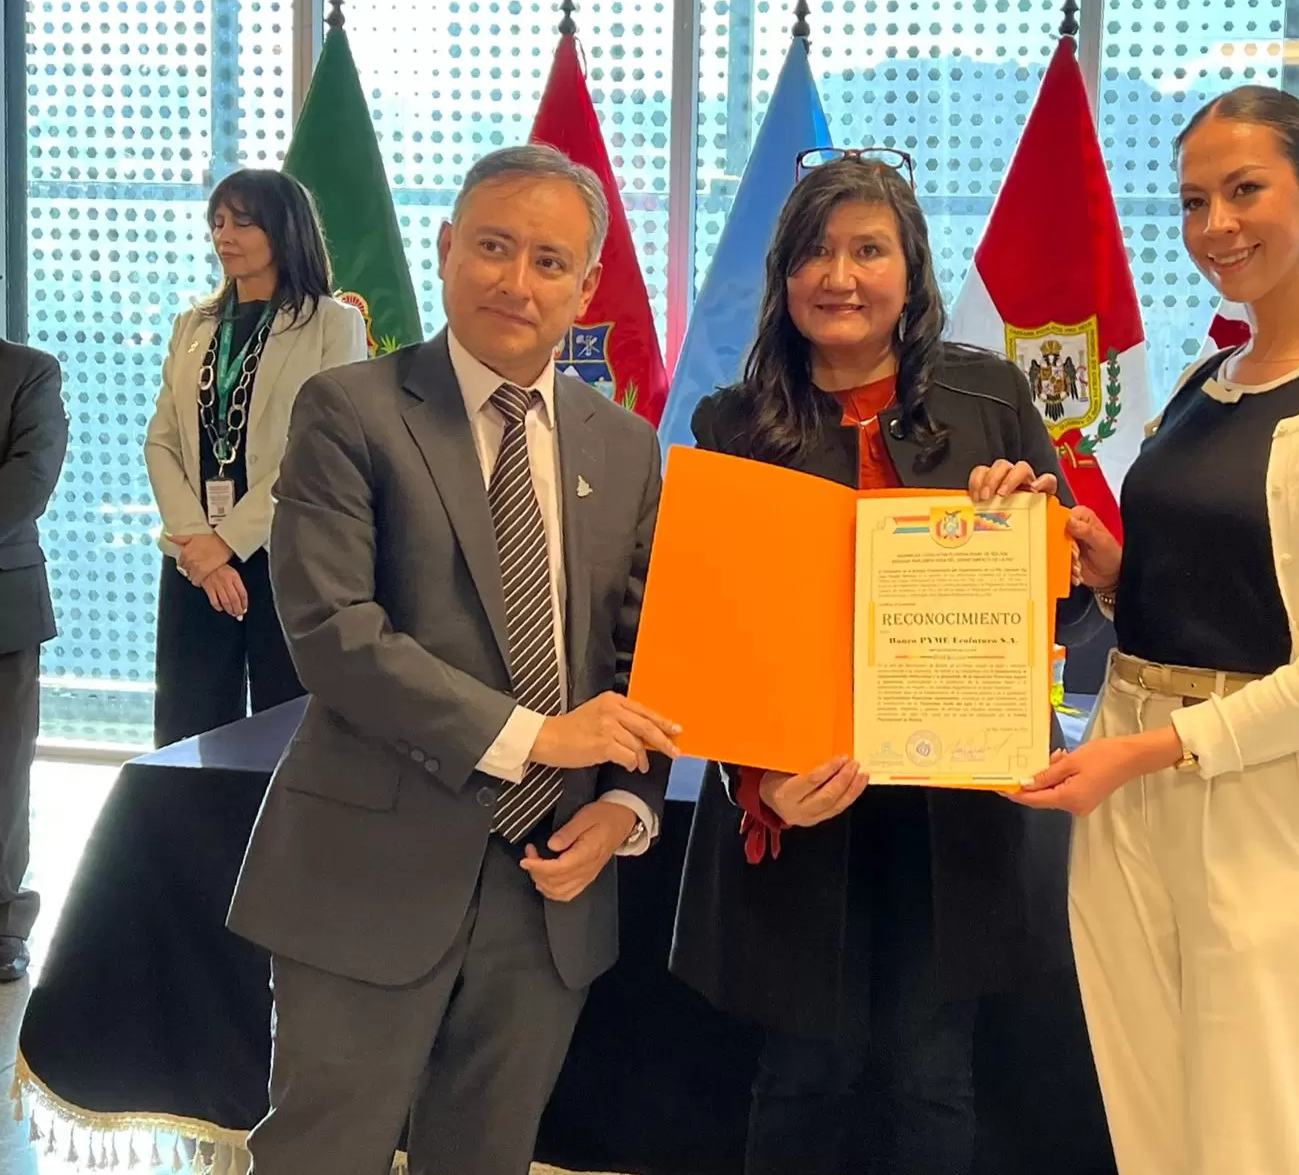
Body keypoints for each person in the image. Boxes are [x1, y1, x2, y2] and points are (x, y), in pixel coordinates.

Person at [1005, 86, 1299, 1175]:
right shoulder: (1204, 383)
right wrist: (1117, 577)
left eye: (1245, 190)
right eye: (1195, 200)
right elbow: (1206, 597)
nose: (1216, 226)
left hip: (1258, 801)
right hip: (1128, 770)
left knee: (1252, 1139)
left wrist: (1149, 751)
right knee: (1149, 1126)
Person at [227, 143, 679, 1175]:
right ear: (444, 249)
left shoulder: (625, 445)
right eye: (492, 246)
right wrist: (537, 738)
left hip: (551, 888)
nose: (516, 281)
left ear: (586, 289)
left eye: (549, 262)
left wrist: (627, 802)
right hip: (368, 875)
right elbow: (333, 632)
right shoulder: (349, 409)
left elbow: (643, 652)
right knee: (319, 1156)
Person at [669, 150, 1102, 1175]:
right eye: (815, 253)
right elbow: (711, 638)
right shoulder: (732, 424)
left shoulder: (991, 395)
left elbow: (1072, 606)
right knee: (801, 1074)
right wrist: (759, 785)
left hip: (953, 805)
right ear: (783, 275)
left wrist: (1036, 539)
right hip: (799, 796)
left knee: (928, 1074)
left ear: (911, 272)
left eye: (869, 250)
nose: (841, 276)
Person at [144, 169, 367, 747]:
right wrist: (201, 544)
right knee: (188, 730)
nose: (225, 235)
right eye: (218, 222)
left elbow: (320, 451)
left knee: (287, 730)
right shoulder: (194, 325)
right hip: (195, 559)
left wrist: (230, 540)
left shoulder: (332, 323)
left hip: (285, 555)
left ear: (283, 229)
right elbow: (162, 440)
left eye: (243, 223)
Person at [0, 339, 68, 983]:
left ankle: (2, 923)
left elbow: (30, 479)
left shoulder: (29, 371)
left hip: (4, 606)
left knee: (3, 770)